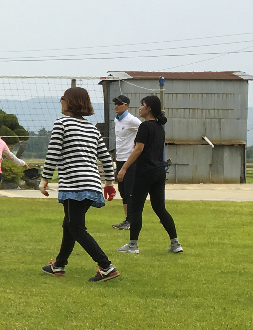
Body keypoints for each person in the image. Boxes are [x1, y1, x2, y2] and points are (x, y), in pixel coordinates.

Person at [39, 87, 119, 282]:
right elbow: (106, 159)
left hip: (74, 184)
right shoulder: (92, 128)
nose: (61, 101)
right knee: (69, 224)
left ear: (70, 102)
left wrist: (44, 179)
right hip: (92, 184)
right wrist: (109, 182)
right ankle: (59, 265)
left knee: (76, 227)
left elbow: (53, 154)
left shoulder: (62, 124)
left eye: (63, 99)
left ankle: (106, 266)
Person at [116, 95, 183, 254]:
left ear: (149, 108)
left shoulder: (145, 126)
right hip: (159, 171)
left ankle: (133, 245)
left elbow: (138, 150)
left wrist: (124, 168)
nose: (139, 108)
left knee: (136, 207)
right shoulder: (159, 127)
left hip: (145, 171)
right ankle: (175, 243)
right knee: (160, 208)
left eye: (142, 105)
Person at [110, 95, 141, 230]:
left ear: (126, 105)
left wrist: (138, 144)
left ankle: (132, 221)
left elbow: (145, 129)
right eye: (115, 103)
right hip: (120, 158)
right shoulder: (117, 120)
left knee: (129, 191)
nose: (116, 106)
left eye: (119, 103)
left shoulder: (132, 120)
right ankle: (128, 220)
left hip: (130, 160)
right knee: (122, 191)